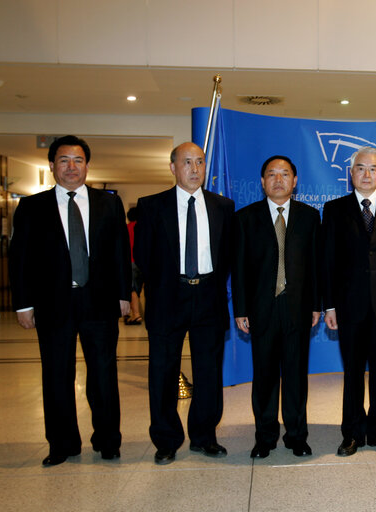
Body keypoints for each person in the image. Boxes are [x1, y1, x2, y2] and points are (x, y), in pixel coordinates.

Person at [9, 135, 131, 466]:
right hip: (53, 305)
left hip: (100, 302)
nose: (71, 167)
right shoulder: (32, 207)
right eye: (64, 160)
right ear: (52, 166)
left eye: (78, 160)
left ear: (87, 166)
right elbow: (19, 258)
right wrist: (23, 304)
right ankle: (62, 444)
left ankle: (108, 440)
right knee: (56, 374)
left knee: (103, 374)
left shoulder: (109, 203)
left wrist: (124, 294)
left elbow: (121, 252)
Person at [134, 142, 235, 465]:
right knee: (163, 371)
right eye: (187, 162)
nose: (194, 169)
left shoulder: (223, 206)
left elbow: (228, 256)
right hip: (168, 296)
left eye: (200, 162)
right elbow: (143, 257)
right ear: (173, 168)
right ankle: (166, 439)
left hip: (209, 296)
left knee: (208, 372)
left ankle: (204, 436)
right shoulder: (151, 206)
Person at [321, 147, 376, 456]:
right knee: (352, 374)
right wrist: (329, 305)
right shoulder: (334, 210)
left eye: (373, 168)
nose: (366, 174)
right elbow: (328, 262)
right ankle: (352, 434)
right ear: (351, 173)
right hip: (348, 306)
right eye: (360, 168)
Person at [232, 155, 320, 459]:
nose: (278, 180)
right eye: (272, 174)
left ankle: (297, 436)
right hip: (260, 309)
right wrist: (241, 308)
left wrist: (317, 304)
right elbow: (239, 268)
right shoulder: (245, 217)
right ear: (262, 182)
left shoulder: (310, 217)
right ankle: (265, 436)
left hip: (298, 308)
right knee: (265, 376)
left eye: (285, 174)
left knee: (296, 375)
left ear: (295, 181)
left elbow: (315, 267)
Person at [125, 206, 143, 325]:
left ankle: (136, 314)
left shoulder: (127, 228)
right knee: (139, 289)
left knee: (132, 289)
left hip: (130, 261)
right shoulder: (143, 227)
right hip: (142, 262)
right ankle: (135, 313)